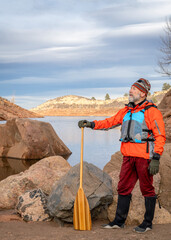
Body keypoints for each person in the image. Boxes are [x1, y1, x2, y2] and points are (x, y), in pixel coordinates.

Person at [78, 78, 166, 233]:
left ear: (142, 93)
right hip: (128, 157)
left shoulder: (152, 111)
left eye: (133, 89)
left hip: (144, 158)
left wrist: (156, 158)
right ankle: (119, 221)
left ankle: (147, 223)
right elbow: (109, 122)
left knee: (147, 189)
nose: (130, 91)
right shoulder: (126, 111)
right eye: (131, 88)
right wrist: (91, 124)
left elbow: (160, 136)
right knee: (123, 188)